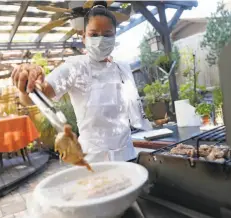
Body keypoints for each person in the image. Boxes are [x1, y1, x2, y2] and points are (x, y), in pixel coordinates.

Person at [11, 1, 151, 162]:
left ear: (114, 37)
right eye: (94, 34)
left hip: (127, 155)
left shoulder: (121, 67)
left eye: (107, 35)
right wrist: (26, 86)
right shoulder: (75, 67)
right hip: (95, 160)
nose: (101, 40)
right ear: (84, 37)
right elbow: (35, 95)